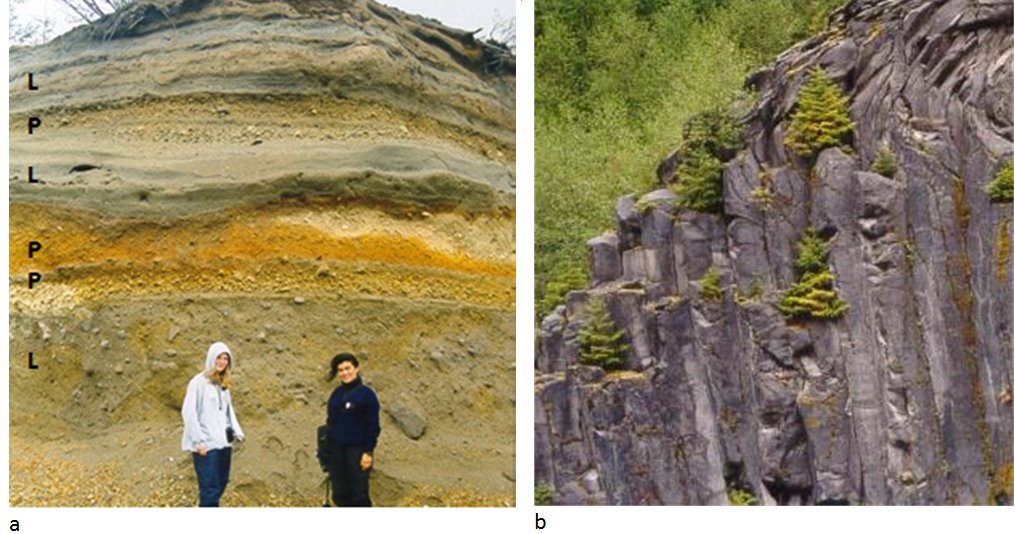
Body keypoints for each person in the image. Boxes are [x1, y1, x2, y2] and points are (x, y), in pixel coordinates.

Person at [181, 341, 245, 507]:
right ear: (211, 358)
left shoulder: (223, 385)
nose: (222, 362)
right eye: (219, 358)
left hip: (223, 444)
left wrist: (236, 432)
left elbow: (228, 412)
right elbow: (189, 412)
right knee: (210, 490)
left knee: (221, 484)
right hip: (206, 447)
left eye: (225, 359)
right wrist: (198, 441)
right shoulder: (198, 382)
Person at [325, 353, 381, 507]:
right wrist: (326, 451)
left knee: (358, 494)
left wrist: (368, 452)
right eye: (340, 370)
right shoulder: (336, 395)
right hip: (337, 450)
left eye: (348, 368)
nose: (345, 373)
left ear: (356, 368)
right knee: (340, 493)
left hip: (357, 450)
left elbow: (373, 426)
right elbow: (330, 423)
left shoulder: (366, 394)